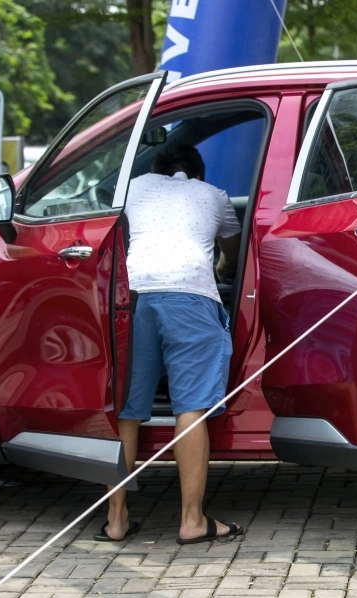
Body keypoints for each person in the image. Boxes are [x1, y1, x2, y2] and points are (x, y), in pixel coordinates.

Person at [96, 144, 245, 545]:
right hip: (191, 296)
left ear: (158, 169)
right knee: (190, 408)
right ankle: (192, 521)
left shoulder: (135, 186)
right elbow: (233, 253)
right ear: (197, 172)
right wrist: (221, 267)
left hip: (136, 296)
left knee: (128, 410)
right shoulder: (215, 195)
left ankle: (116, 520)